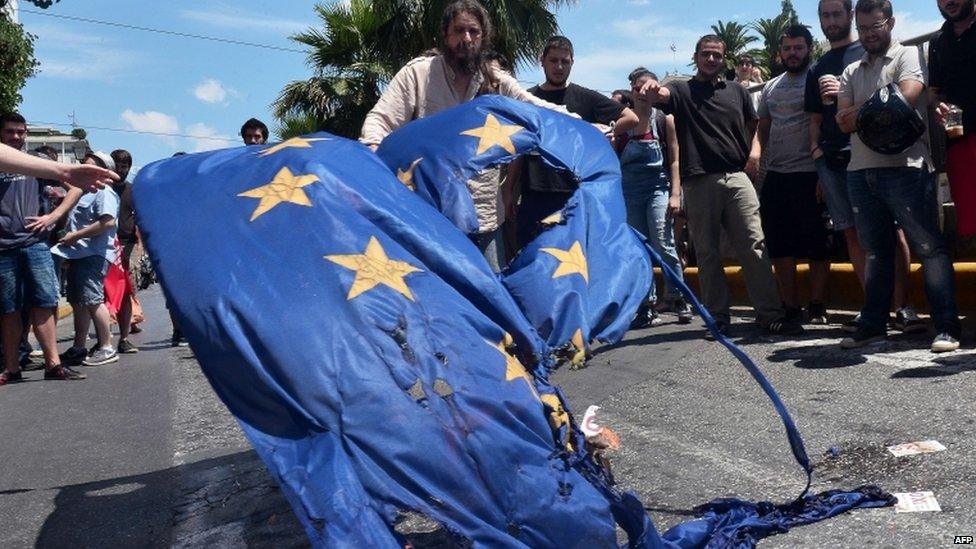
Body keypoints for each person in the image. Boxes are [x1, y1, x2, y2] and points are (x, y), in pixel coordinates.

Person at [360, 0, 571, 272]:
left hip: (483, 217)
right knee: (437, 299)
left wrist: (586, 126)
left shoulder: (494, 80)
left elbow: (533, 107)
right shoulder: (419, 74)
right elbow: (380, 119)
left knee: (490, 299)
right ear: (445, 35)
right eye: (459, 31)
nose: (466, 39)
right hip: (429, 215)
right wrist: (374, 152)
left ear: (484, 37)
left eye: (474, 32)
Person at [638, 36, 803, 338]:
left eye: (716, 55)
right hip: (699, 179)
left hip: (737, 177)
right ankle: (717, 318)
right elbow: (662, 95)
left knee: (754, 244)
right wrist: (651, 89)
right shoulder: (682, 90)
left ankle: (769, 314)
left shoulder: (737, 91)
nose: (711, 60)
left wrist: (753, 153)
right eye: (706, 54)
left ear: (723, 59)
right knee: (707, 252)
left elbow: (754, 126)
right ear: (696, 57)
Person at [835, 0, 961, 352]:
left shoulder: (908, 56)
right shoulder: (851, 69)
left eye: (874, 26)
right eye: (862, 28)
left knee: (929, 248)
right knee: (876, 252)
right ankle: (874, 323)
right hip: (859, 171)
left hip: (907, 168)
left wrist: (864, 112)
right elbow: (841, 120)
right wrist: (878, 106)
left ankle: (947, 325)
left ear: (889, 22)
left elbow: (905, 100)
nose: (868, 34)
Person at [807, 0, 922, 335]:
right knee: (853, 234)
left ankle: (904, 307)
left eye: (837, 14)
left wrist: (852, 109)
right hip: (833, 158)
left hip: (878, 152)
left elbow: (897, 95)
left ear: (850, 16)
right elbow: (815, 118)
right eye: (825, 16)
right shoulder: (818, 66)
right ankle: (876, 309)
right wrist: (816, 151)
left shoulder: (873, 47)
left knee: (893, 230)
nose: (831, 20)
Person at [516, 35, 638, 246]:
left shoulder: (584, 97)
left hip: (573, 194)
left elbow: (631, 118)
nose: (559, 67)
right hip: (533, 193)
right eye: (554, 60)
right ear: (542, 60)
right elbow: (518, 146)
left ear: (572, 63)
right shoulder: (527, 99)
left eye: (565, 61)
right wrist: (509, 192)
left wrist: (600, 131)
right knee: (533, 262)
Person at [0, 113, 87, 386]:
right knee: (8, 309)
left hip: (34, 243)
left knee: (44, 303)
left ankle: (54, 365)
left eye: (20, 131)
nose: (16, 136)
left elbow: (75, 189)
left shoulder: (39, 162)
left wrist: (52, 217)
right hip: (3, 248)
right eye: (10, 131)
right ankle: (11, 368)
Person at [757, 25, 831, 325]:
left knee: (818, 245)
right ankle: (791, 306)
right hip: (776, 175)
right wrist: (755, 154)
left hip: (811, 174)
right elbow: (762, 129)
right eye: (787, 48)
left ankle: (817, 305)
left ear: (809, 49)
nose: (792, 53)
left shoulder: (819, 81)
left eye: (798, 48)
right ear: (780, 52)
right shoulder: (770, 87)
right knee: (779, 245)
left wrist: (823, 175)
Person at [623, 67, 692, 327]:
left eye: (647, 87)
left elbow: (674, 160)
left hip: (657, 188)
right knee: (638, 249)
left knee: (664, 243)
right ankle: (647, 304)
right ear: (631, 89)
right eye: (638, 87)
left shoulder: (664, 120)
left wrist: (676, 194)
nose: (642, 92)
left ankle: (678, 297)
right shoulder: (623, 120)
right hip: (629, 191)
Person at [53, 151, 122, 366]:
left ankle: (106, 346)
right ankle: (79, 346)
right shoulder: (84, 192)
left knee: (92, 300)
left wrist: (75, 236)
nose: (84, 167)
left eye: (90, 165)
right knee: (79, 301)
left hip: (93, 253)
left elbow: (107, 222)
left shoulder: (104, 192)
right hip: (78, 253)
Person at [929, 0, 976, 237]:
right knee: (971, 226)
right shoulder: (938, 41)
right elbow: (933, 91)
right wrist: (937, 107)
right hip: (958, 143)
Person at [109, 149, 140, 352]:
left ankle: (125, 335)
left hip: (127, 243)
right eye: (118, 166)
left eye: (125, 166)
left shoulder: (133, 190)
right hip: (105, 244)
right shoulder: (101, 187)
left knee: (127, 287)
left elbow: (140, 217)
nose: (121, 170)